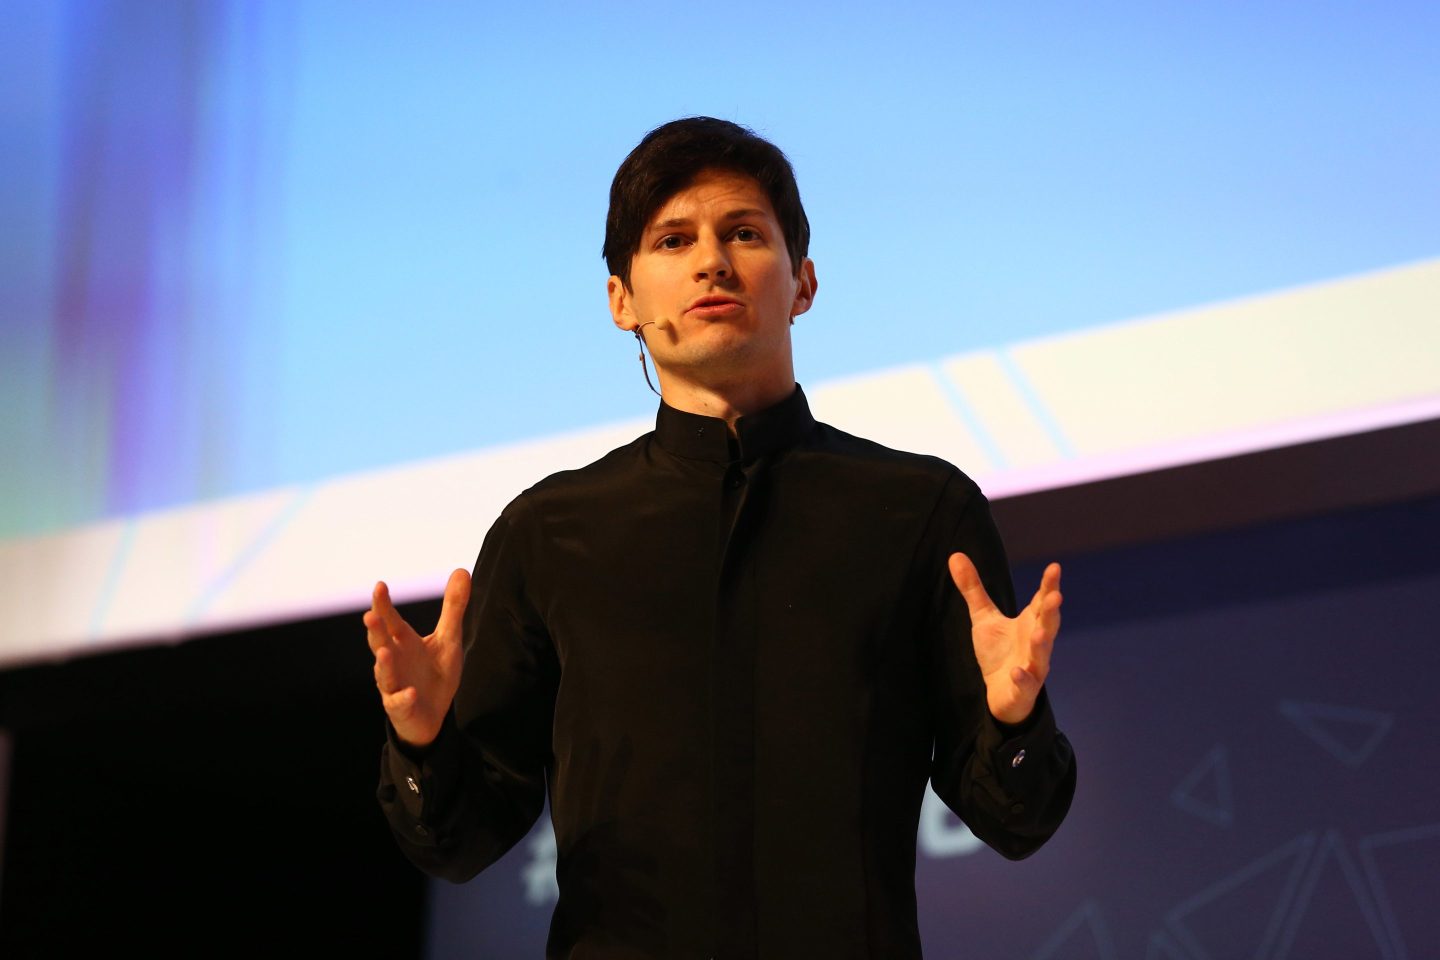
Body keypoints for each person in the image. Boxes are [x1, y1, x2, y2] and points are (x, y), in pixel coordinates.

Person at [367, 117, 1076, 959]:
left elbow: (1015, 821)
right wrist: (421, 740)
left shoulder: (919, 510)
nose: (712, 261)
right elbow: (461, 839)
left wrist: (1013, 721)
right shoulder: (550, 532)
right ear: (621, 299)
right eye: (673, 239)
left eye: (744, 233)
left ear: (803, 282)